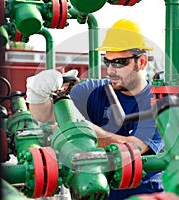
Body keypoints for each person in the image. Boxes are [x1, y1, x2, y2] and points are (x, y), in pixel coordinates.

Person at [26, 18, 165, 199]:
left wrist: (88, 131)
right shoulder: (94, 91)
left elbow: (133, 148)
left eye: (119, 62)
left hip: (143, 194)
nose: (111, 70)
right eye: (107, 61)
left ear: (142, 62)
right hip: (96, 192)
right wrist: (38, 95)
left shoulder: (158, 103)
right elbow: (46, 116)